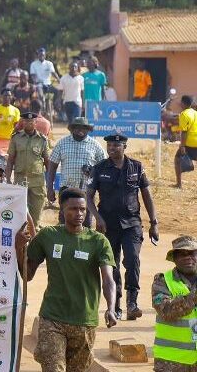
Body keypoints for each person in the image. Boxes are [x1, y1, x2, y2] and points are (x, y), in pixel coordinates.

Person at [18, 187, 117, 372]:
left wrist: (111, 308)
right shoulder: (48, 236)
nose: (79, 214)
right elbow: (27, 275)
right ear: (62, 211)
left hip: (84, 322)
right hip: (52, 318)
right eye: (73, 209)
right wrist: (19, 247)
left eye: (82, 209)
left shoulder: (98, 241)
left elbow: (108, 280)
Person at [87, 133, 159, 321]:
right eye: (109, 145)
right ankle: (116, 305)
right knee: (113, 265)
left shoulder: (136, 166)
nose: (112, 148)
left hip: (132, 223)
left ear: (124, 147)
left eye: (116, 146)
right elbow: (88, 197)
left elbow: (146, 195)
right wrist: (98, 218)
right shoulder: (99, 168)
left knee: (133, 259)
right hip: (107, 225)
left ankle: (132, 303)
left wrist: (154, 223)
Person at [151, 235, 197, 372]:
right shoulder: (162, 281)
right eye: (182, 254)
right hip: (171, 363)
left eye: (192, 253)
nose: (188, 257)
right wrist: (194, 297)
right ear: (174, 259)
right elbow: (166, 311)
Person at [48, 117, 107, 205]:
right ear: (72, 129)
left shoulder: (95, 145)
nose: (80, 130)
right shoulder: (62, 143)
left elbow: (105, 167)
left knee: (86, 218)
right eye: (77, 127)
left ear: (88, 129)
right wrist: (50, 188)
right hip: (66, 189)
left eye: (84, 127)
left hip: (87, 190)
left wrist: (93, 171)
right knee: (65, 218)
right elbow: (52, 166)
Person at [7, 112, 50, 228]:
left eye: (31, 121)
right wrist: (8, 180)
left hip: (38, 182)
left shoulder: (43, 140)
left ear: (35, 123)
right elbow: (10, 160)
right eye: (26, 121)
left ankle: (33, 240)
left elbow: (47, 162)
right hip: (20, 180)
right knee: (20, 216)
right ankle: (22, 243)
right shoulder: (16, 138)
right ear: (22, 122)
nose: (28, 123)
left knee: (36, 215)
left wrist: (50, 183)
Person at [0, 89, 21, 157]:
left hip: (9, 141)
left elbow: (17, 127)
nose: (7, 97)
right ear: (1, 97)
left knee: (8, 162)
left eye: (9, 96)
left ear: (11, 97)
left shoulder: (16, 111)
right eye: (5, 95)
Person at [176, 95, 197, 189]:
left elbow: (184, 132)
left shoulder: (184, 114)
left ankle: (179, 184)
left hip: (190, 143)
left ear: (183, 103)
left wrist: (183, 146)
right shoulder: (195, 113)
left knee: (177, 159)